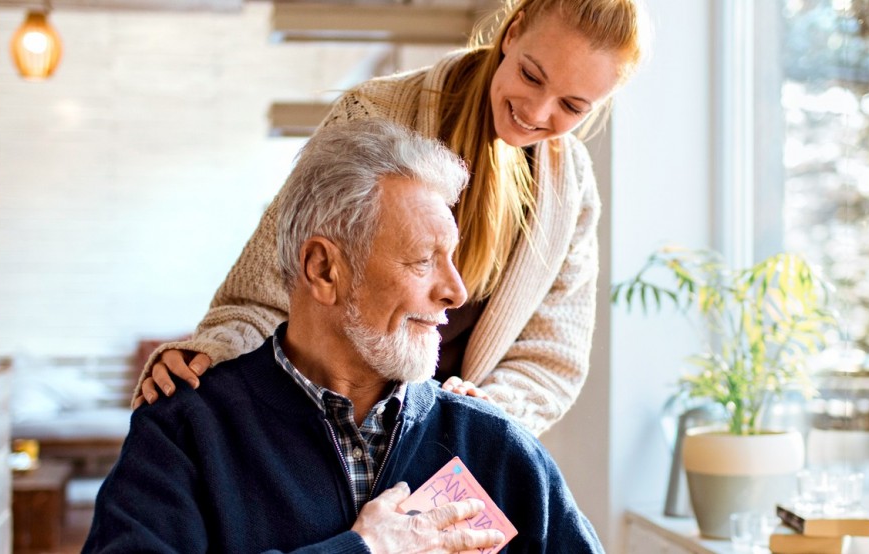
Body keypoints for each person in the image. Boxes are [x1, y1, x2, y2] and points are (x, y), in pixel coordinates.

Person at [83, 119, 603, 553]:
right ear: (324, 270)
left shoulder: (494, 446)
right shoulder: (183, 432)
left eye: (453, 259)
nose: (456, 291)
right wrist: (364, 549)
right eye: (424, 261)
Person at [134, 0, 646, 435]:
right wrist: (210, 353)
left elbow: (551, 356)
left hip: (452, 447)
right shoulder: (374, 111)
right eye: (531, 76)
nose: (537, 111)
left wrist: (489, 412)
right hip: (322, 421)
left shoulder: (570, 187)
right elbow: (276, 276)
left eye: (573, 106)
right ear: (511, 35)